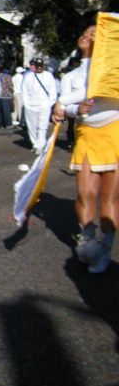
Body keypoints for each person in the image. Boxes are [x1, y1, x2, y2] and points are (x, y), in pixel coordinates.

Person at [52, 22, 119, 274]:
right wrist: (73, 108)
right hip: (86, 134)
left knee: (109, 197)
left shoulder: (113, 69)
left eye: (93, 34)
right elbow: (67, 110)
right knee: (85, 194)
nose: (86, 35)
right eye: (85, 32)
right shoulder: (70, 75)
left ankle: (105, 250)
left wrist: (64, 101)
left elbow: (96, 88)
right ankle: (89, 242)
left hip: (115, 131)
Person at [22, 58, 57, 154]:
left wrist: (48, 104)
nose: (39, 68)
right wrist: (26, 104)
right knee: (32, 127)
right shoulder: (28, 77)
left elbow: (53, 92)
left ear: (44, 66)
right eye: (37, 66)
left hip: (43, 106)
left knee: (42, 126)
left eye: (41, 66)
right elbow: (24, 92)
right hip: (31, 106)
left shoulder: (49, 76)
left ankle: (40, 146)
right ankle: (35, 144)